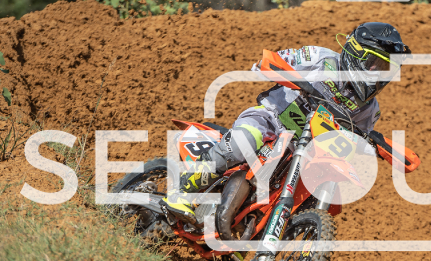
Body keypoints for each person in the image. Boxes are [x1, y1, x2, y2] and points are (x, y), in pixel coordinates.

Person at [160, 22, 411, 225]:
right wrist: (277, 69)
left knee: (311, 191)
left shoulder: (369, 108)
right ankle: (180, 192)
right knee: (244, 141)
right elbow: (276, 60)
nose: (380, 74)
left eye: (387, 69)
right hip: (271, 120)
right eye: (376, 65)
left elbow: (355, 139)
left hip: (301, 152)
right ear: (357, 55)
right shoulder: (321, 58)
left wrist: (370, 144)